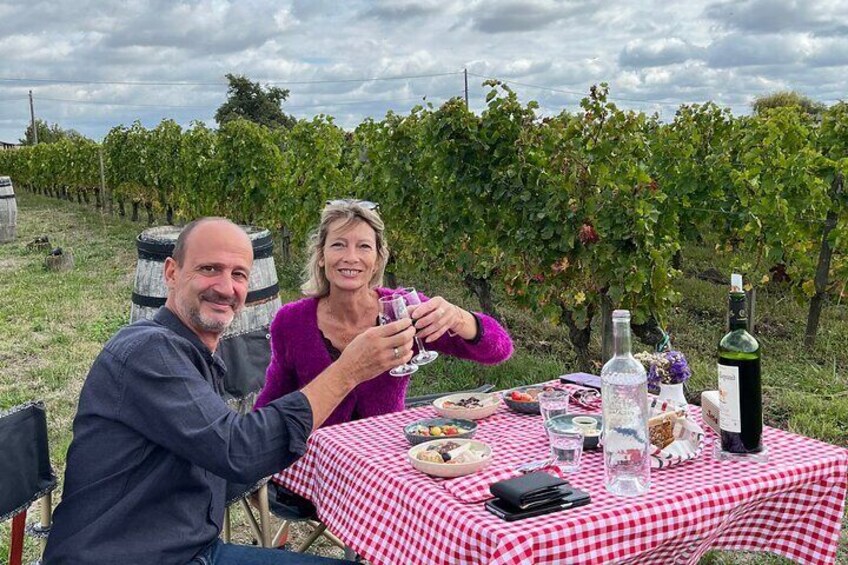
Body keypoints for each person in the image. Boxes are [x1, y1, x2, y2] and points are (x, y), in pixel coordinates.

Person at [43, 217, 416, 565]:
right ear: (171, 273)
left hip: (191, 549)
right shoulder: (149, 352)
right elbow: (238, 452)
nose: (226, 287)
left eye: (238, 274)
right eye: (209, 269)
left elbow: (227, 456)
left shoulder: (191, 352)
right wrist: (348, 370)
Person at [254, 199, 513, 426]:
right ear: (321, 255)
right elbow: (270, 405)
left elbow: (498, 351)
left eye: (364, 247)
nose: (351, 257)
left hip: (386, 458)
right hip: (320, 462)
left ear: (378, 259)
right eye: (338, 245)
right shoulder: (292, 322)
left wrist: (459, 317)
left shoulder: (402, 310)